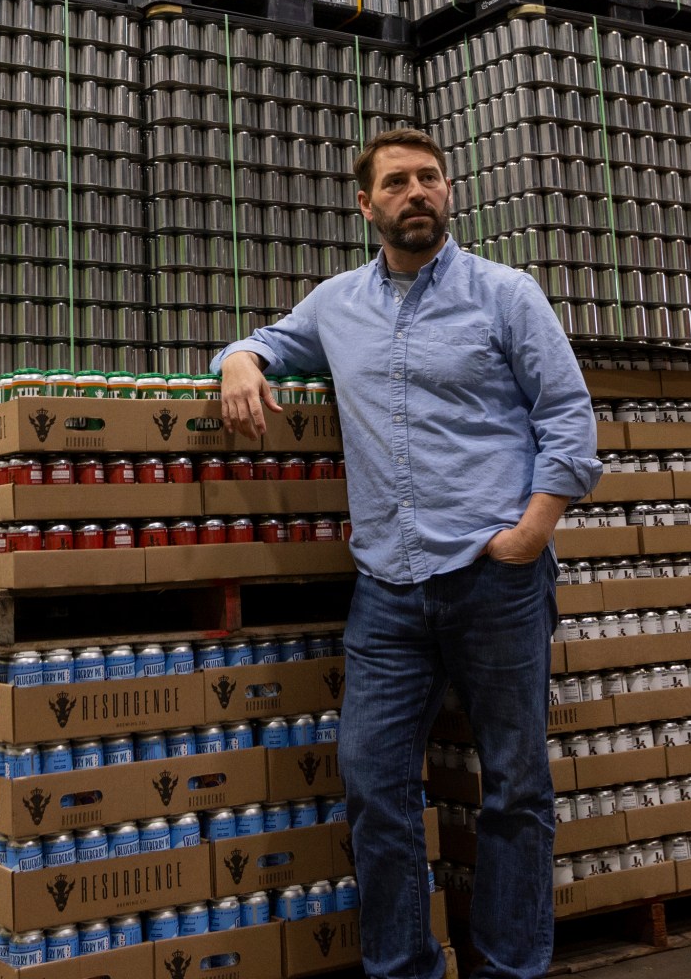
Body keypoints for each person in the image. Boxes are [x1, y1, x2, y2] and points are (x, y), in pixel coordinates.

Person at [214, 127, 599, 979]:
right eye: (396, 183)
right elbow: (271, 342)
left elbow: (569, 421)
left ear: (448, 191)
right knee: (374, 786)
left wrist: (530, 532)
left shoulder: (506, 294)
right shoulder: (335, 304)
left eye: (429, 178)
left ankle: (508, 970)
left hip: (493, 577)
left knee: (515, 789)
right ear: (367, 205)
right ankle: (404, 969)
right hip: (387, 588)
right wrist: (239, 357)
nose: (416, 192)